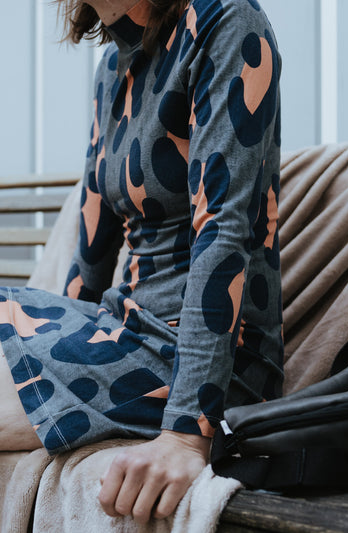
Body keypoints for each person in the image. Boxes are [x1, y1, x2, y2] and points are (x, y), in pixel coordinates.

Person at [0, 0, 283, 523]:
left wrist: (185, 434)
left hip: (206, 367)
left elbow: (224, 231)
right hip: (121, 336)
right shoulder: (114, 69)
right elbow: (91, 251)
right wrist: (45, 336)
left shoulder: (226, 23)